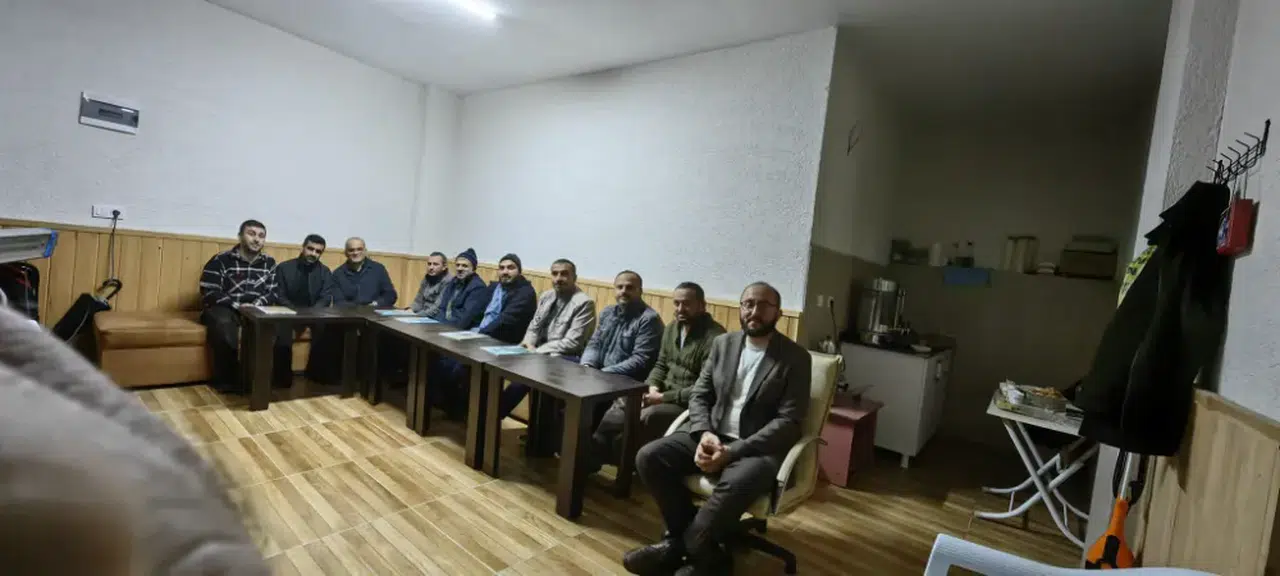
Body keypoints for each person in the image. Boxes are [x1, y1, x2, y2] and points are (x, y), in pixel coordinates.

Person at [623, 282, 812, 576]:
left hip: (757, 449)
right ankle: (707, 552)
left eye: (763, 305)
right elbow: (700, 395)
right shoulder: (724, 344)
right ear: (740, 308)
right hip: (713, 434)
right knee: (649, 457)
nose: (754, 311)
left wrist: (733, 451)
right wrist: (704, 434)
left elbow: (788, 422)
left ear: (778, 313)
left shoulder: (795, 357)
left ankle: (678, 547)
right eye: (748, 304)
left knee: (735, 483)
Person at [588, 281, 724, 472]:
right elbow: (660, 365)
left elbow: (704, 388)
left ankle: (625, 468)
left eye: (686, 304)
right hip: (660, 393)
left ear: (702, 305)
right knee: (623, 401)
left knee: (647, 416)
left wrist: (662, 398)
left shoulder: (716, 338)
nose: (680, 309)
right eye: (676, 303)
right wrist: (651, 386)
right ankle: (592, 458)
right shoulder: (672, 328)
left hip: (686, 403)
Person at [496, 258, 597, 418]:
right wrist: (527, 343)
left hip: (567, 357)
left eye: (564, 274)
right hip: (538, 353)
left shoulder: (584, 303)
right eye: (555, 274)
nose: (558, 278)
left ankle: (492, 417)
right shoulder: (547, 296)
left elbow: (573, 343)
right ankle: (486, 416)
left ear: (574, 277)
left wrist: (537, 352)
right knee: (496, 364)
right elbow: (534, 326)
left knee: (523, 378)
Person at [198, 219, 280, 393]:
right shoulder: (221, 260)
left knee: (272, 326)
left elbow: (273, 292)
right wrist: (238, 306)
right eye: (251, 234)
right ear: (240, 236)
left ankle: (258, 380)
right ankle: (227, 382)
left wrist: (255, 305)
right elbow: (210, 291)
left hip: (256, 309)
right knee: (223, 324)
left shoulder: (270, 263)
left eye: (261, 236)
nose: (257, 239)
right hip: (225, 307)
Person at [274, 234, 336, 384]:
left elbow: (325, 297)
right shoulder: (284, 268)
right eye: (310, 249)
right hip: (289, 311)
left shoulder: (325, 272)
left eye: (318, 251)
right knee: (281, 327)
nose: (313, 253)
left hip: (314, 313)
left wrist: (310, 313)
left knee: (327, 327)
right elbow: (279, 295)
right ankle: (281, 379)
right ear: (303, 247)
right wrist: (295, 313)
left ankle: (317, 375)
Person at [580, 270, 663, 381]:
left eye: (629, 288)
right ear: (615, 290)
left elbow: (640, 360)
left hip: (627, 380)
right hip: (600, 374)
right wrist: (587, 365)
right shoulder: (607, 312)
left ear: (640, 291)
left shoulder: (649, 319)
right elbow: (594, 344)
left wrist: (602, 373)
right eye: (620, 287)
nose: (624, 291)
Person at [430, 248, 488, 328]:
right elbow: (442, 308)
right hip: (446, 324)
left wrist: (442, 325)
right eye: (457, 265)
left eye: (465, 266)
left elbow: (464, 319)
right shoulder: (454, 281)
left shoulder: (478, 288)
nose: (460, 269)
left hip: (466, 329)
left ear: (473, 269)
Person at [331, 237, 397, 308]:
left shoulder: (378, 269)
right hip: (350, 313)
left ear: (365, 251)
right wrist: (362, 309)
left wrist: (375, 304)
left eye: (359, 249)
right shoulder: (338, 274)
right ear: (345, 253)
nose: (355, 253)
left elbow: (390, 295)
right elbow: (338, 302)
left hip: (376, 311)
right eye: (351, 250)